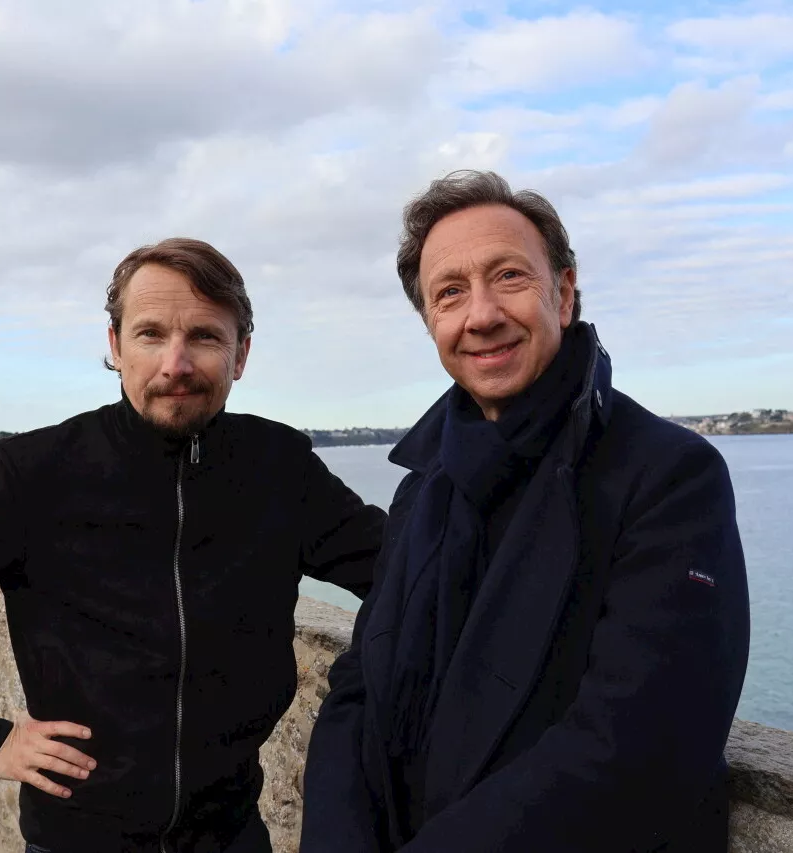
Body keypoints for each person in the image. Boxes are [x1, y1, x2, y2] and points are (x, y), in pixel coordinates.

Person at [0, 238, 385, 853]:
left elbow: (404, 569)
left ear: (241, 354)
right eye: (151, 334)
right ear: (115, 346)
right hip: (78, 837)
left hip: (230, 832)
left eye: (205, 336)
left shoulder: (279, 468)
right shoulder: (41, 472)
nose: (175, 364)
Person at [300, 170, 750, 853]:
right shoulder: (423, 486)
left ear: (563, 294)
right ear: (430, 322)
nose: (480, 314)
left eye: (508, 276)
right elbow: (359, 685)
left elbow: (639, 743)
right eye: (449, 293)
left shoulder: (668, 477)